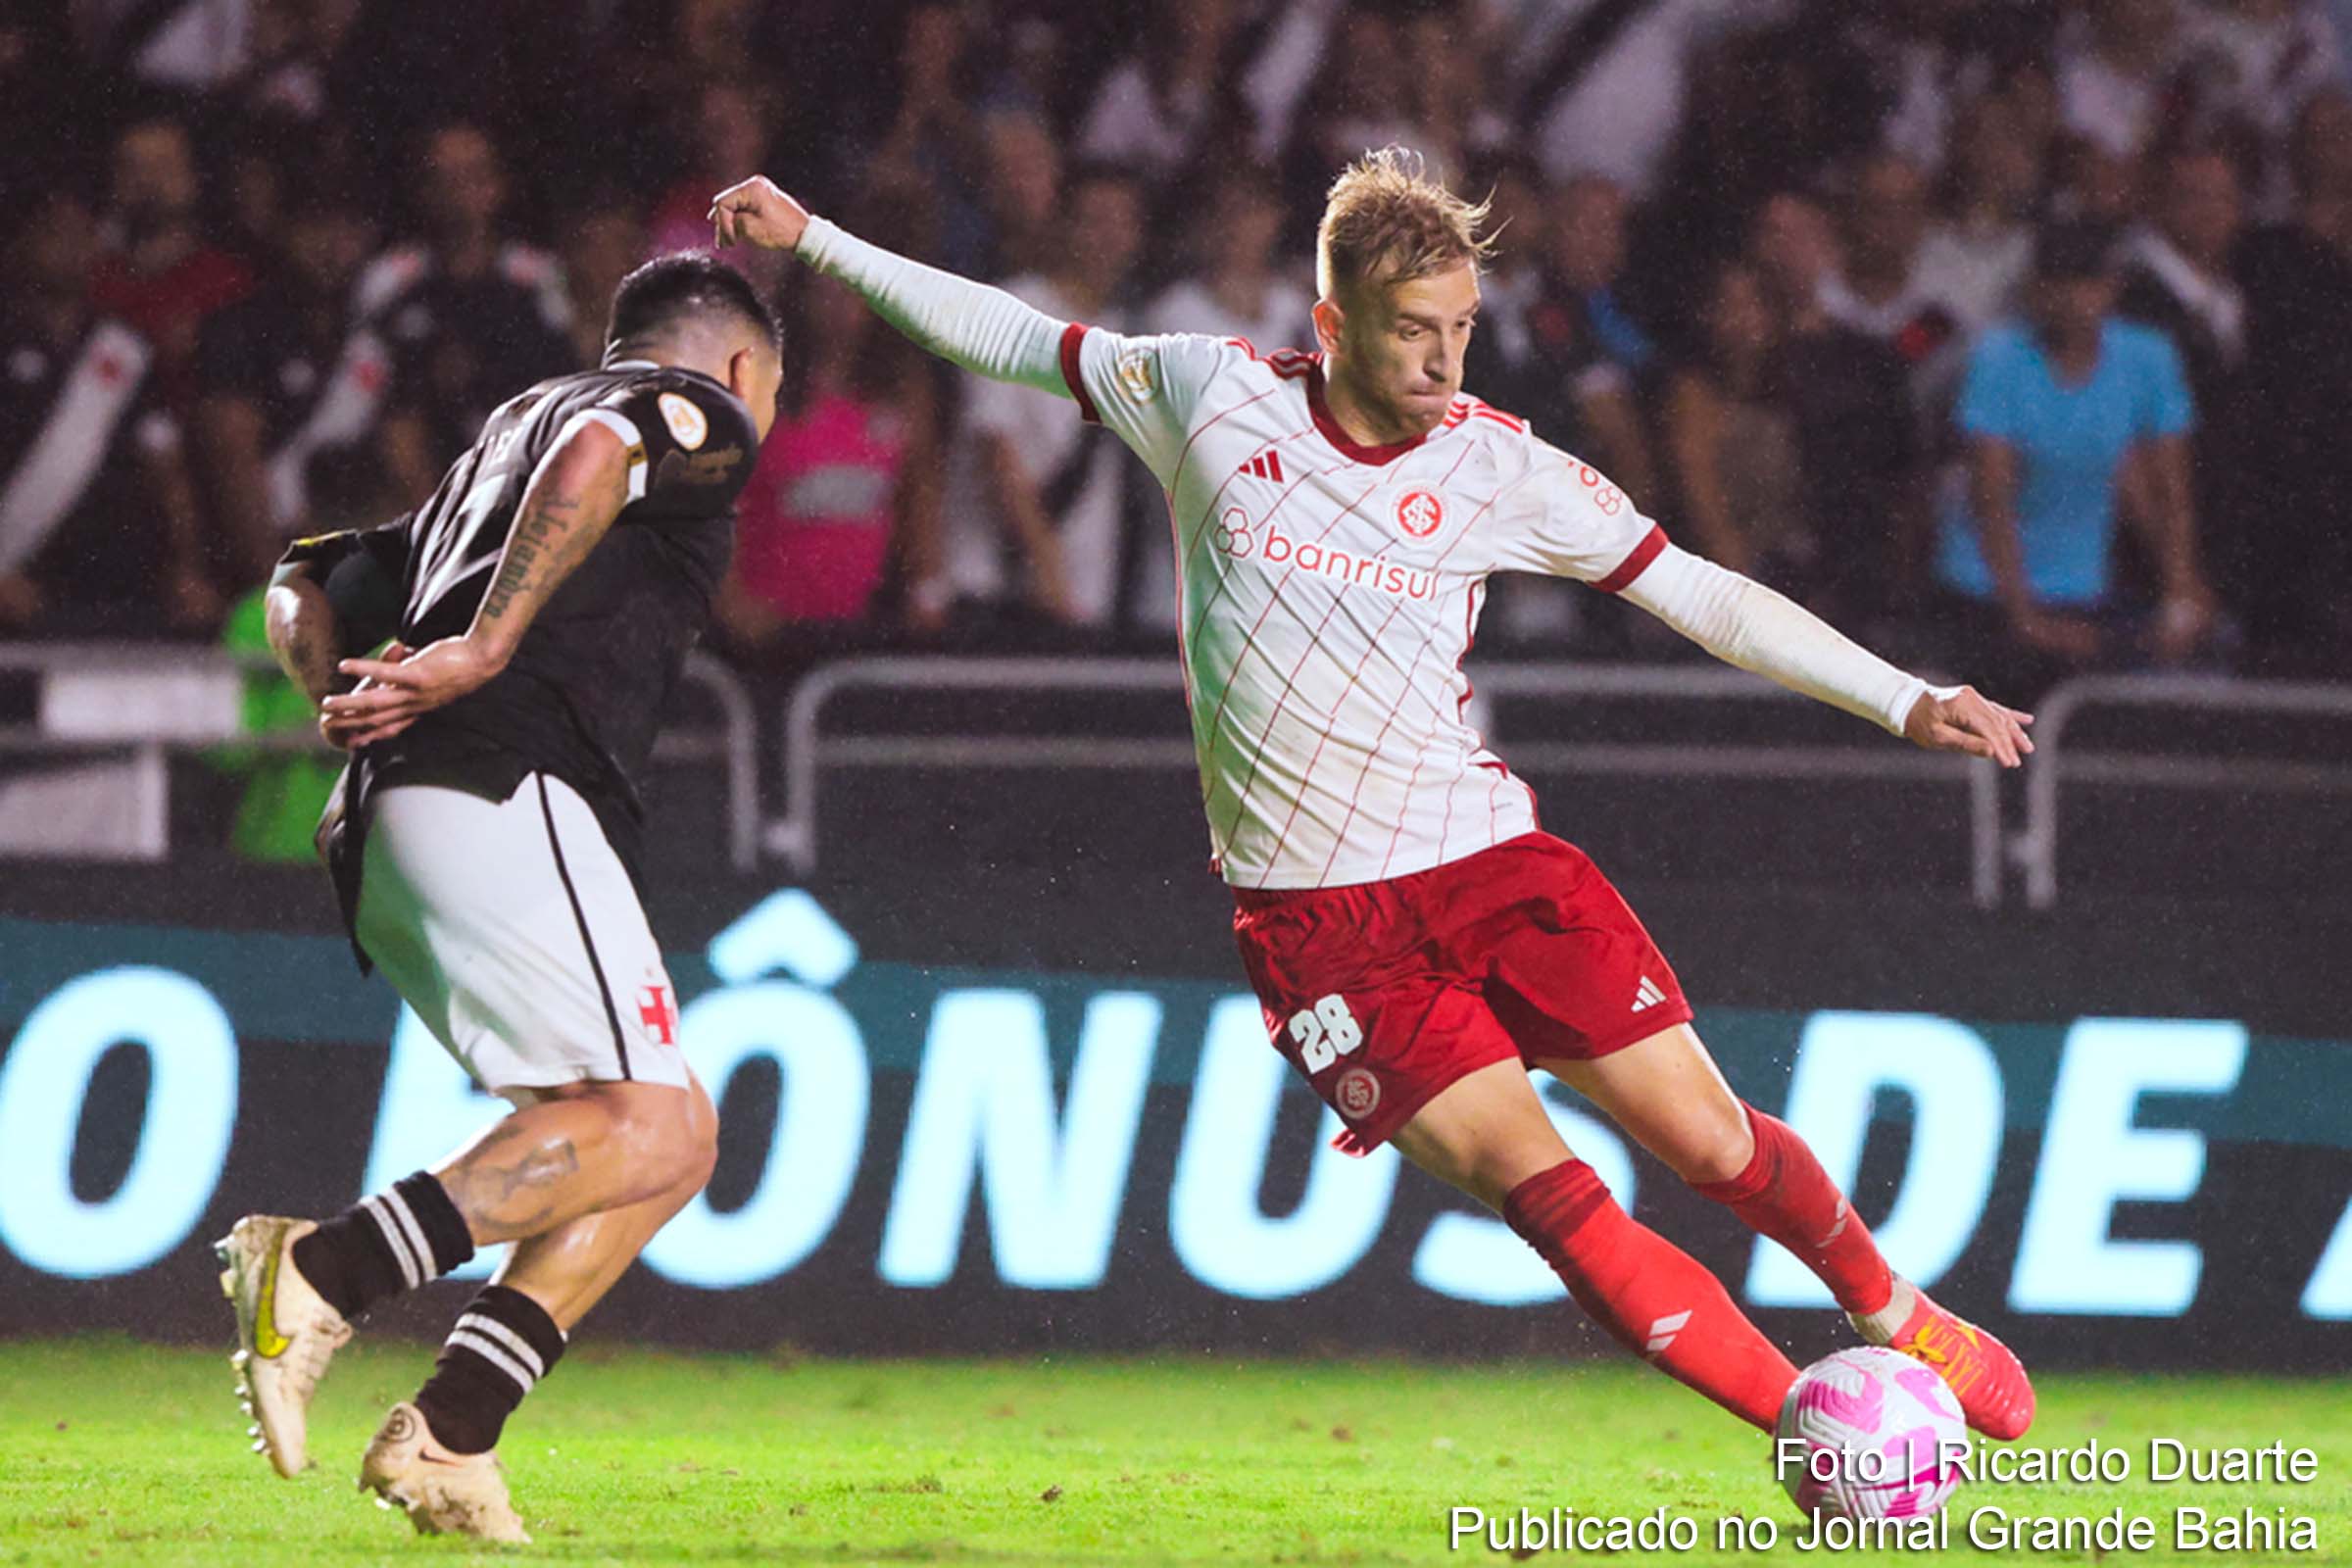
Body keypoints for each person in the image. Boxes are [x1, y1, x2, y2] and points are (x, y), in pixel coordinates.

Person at [710, 149, 2037, 1443]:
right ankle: (1819, 1435)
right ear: (1332, 320)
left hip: (1491, 868)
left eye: (1461, 329)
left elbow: (1699, 590)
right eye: (1413, 331)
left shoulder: (1498, 465)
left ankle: (1891, 1309)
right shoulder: (1208, 400)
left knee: (1708, 1140)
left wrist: (1901, 697)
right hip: (1320, 925)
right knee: (1552, 1192)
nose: (1443, 363)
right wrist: (817, 241)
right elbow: (1005, 336)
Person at [215, 255, 780, 1542]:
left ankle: (452, 1434)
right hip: (503, 783)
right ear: (741, 367)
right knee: (651, 1128)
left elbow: (299, 579)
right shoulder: (692, 409)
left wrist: (334, 702)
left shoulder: (489, 457)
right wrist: (480, 649)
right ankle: (322, 1270)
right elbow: (600, 444)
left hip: (399, 821)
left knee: (658, 1138)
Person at [1936, 221, 2218, 683]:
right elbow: (1991, 498)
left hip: (2086, 592)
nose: (2073, 298)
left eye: (2087, 282)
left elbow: (2165, 489)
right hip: (1987, 590)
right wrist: (2024, 615)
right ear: (2037, 290)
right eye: (2059, 282)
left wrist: (2180, 589)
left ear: (2111, 288)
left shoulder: (2147, 358)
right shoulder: (1998, 359)